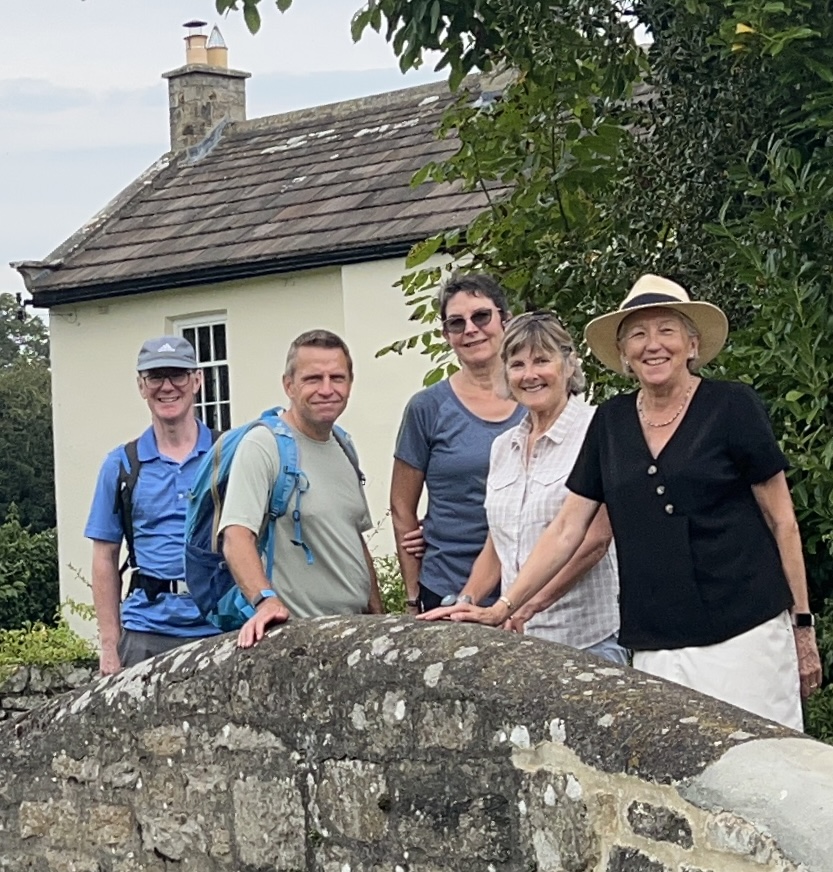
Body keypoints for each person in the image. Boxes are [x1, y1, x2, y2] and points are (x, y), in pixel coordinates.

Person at [422, 275, 822, 730]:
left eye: (666, 330)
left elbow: (782, 521)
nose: (653, 344)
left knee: (763, 770)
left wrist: (803, 624)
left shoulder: (732, 406)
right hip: (655, 643)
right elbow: (567, 528)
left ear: (692, 344)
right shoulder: (610, 424)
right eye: (638, 333)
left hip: (747, 632)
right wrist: (504, 606)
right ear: (624, 354)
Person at [444, 312, 627, 664]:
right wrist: (465, 605)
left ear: (569, 364)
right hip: (519, 640)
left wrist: (520, 605)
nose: (529, 375)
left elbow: (594, 542)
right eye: (517, 364)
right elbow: (499, 543)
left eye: (542, 360)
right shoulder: (503, 447)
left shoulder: (599, 430)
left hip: (584, 640)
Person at [219, 329, 383, 649]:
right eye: (313, 379)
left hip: (354, 634)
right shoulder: (264, 445)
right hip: (298, 639)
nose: (327, 389)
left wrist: (377, 616)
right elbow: (236, 536)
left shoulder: (344, 444)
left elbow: (352, 539)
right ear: (288, 385)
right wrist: (266, 601)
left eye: (337, 377)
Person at [391, 273, 526, 615]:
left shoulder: (537, 399)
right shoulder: (427, 408)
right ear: (446, 335)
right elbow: (401, 506)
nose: (471, 329)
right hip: (446, 587)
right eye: (456, 323)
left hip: (527, 586)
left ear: (505, 321)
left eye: (481, 316)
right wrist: (412, 595)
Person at [85, 336, 220, 674]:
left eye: (177, 375)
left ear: (197, 380)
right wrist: (109, 645)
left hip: (221, 626)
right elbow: (104, 557)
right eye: (156, 377)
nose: (167, 387)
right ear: (141, 386)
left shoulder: (228, 455)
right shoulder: (122, 466)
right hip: (145, 633)